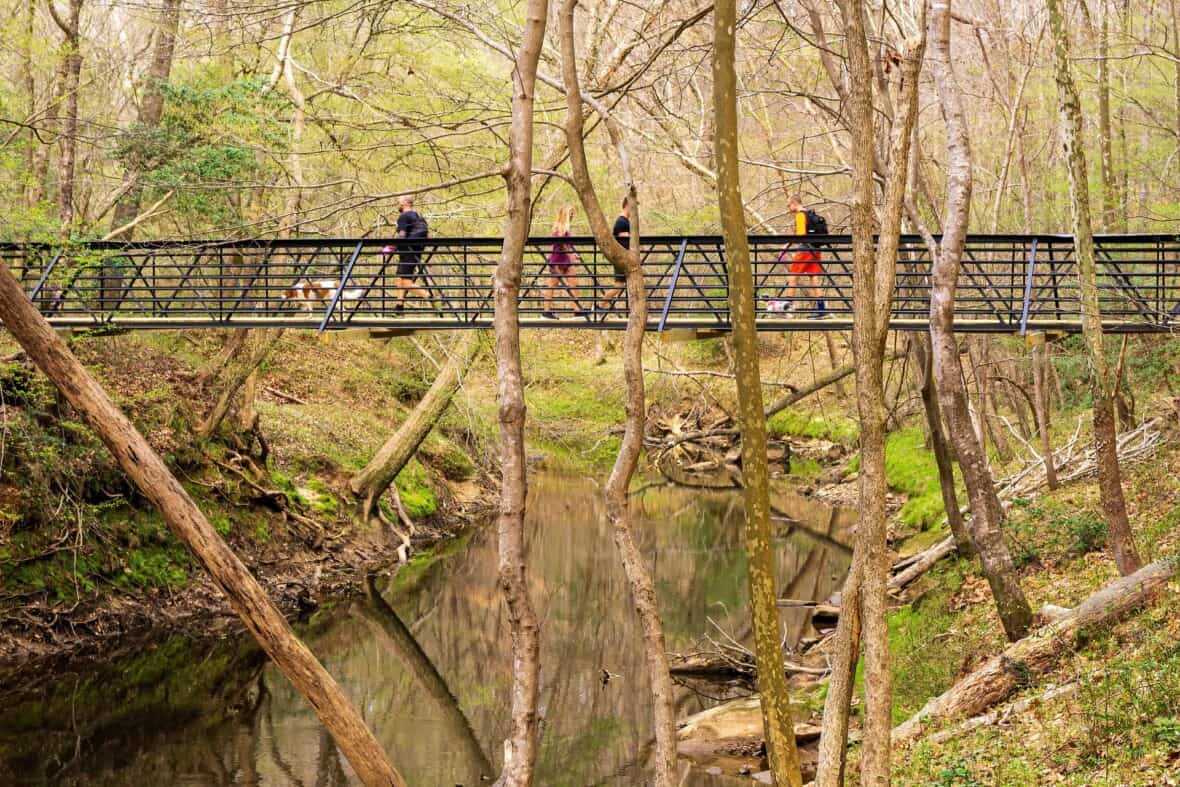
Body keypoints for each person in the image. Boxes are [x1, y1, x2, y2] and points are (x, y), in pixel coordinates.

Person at [779, 194, 827, 318]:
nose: (788, 208)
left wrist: (787, 246)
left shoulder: (800, 215)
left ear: (794, 203)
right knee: (814, 277)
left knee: (793, 276)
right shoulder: (810, 214)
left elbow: (800, 235)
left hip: (805, 250)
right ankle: (821, 309)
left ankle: (788, 308)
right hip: (815, 250)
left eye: (788, 205)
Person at [543, 205, 589, 319]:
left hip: (567, 261)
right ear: (564, 214)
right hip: (558, 260)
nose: (573, 215)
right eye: (570, 213)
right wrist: (570, 254)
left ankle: (577, 310)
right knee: (553, 285)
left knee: (573, 284)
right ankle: (546, 311)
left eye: (573, 213)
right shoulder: (558, 226)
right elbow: (561, 242)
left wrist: (573, 254)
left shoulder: (568, 228)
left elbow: (568, 245)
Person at [387, 195, 431, 312]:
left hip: (408, 251)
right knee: (399, 280)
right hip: (415, 250)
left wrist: (392, 247)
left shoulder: (404, 216)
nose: (398, 203)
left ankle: (430, 297)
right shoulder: (418, 217)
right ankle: (399, 307)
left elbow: (402, 235)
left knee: (406, 282)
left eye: (399, 201)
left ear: (406, 203)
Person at [597, 196, 631, 312]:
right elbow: (625, 240)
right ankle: (599, 306)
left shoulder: (626, 221)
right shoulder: (621, 222)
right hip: (621, 259)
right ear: (627, 205)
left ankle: (636, 310)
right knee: (619, 286)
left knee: (629, 286)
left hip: (626, 259)